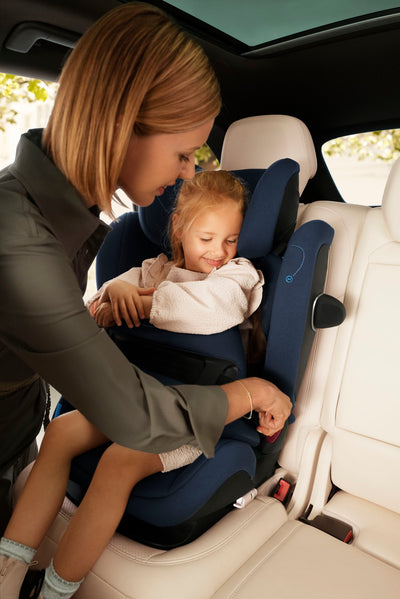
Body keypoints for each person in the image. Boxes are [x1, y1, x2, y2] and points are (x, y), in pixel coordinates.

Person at [0, 2, 291, 596]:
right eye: (183, 154)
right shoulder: (22, 239)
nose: (186, 174)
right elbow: (133, 413)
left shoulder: (66, 221)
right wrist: (253, 392)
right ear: (121, 124)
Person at [0, 170, 274, 599]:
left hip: (199, 418)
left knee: (120, 460)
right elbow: (100, 302)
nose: (219, 251)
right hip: (143, 399)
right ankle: (8, 570)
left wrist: (142, 304)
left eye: (231, 239)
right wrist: (112, 299)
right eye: (206, 238)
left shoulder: (238, 276)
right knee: (61, 430)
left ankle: (55, 590)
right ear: (179, 228)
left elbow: (213, 308)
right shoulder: (154, 270)